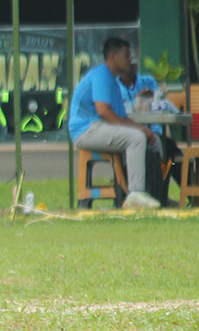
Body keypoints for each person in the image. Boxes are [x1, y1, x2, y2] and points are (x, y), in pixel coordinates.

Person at [69, 37, 162, 209]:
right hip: (86, 130)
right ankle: (136, 194)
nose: (130, 60)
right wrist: (139, 133)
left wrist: (144, 130)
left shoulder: (112, 80)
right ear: (113, 57)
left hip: (99, 127)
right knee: (136, 139)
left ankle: (158, 195)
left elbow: (122, 118)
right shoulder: (101, 75)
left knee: (151, 140)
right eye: (126, 55)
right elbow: (103, 111)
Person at [115, 59, 182, 202]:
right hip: (128, 133)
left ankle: (190, 195)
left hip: (153, 130)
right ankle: (157, 196)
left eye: (134, 65)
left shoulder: (147, 81)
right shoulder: (114, 87)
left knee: (171, 150)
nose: (132, 69)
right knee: (168, 149)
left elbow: (158, 102)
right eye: (128, 64)